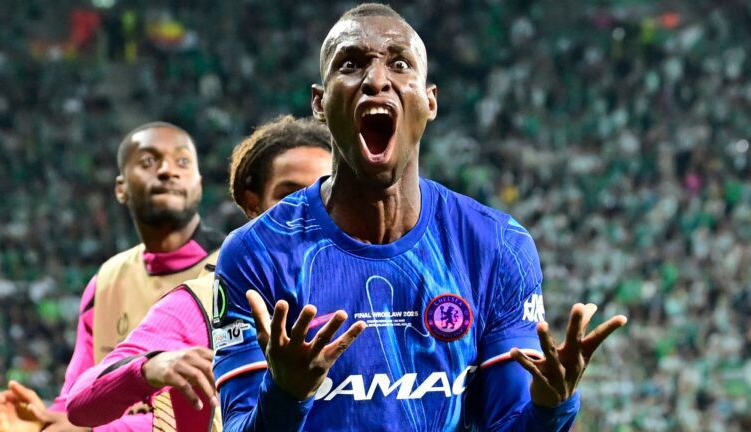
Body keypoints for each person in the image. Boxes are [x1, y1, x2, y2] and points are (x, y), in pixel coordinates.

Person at [212, 4, 628, 431]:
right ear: (320, 102)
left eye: (399, 63)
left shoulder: (495, 245)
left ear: (430, 101)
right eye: (351, 64)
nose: (376, 80)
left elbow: (509, 423)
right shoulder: (255, 253)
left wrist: (551, 407)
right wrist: (285, 396)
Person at [63, 116, 333, 431]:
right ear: (253, 204)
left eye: (326, 194)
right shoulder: (209, 297)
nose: (308, 210)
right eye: (288, 196)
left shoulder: (378, 284)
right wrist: (147, 367)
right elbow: (79, 402)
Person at [0, 122, 224, 432]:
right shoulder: (106, 281)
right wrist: (41, 423)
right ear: (121, 188)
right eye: (149, 161)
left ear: (199, 183)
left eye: (182, 161)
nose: (167, 170)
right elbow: (75, 404)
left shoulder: (232, 267)